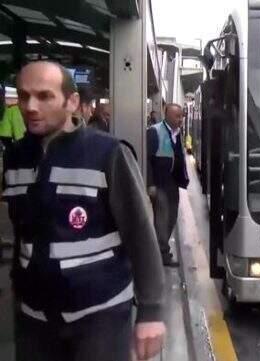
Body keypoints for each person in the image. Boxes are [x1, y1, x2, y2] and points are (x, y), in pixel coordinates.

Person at [2, 61, 166, 361]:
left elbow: (141, 234)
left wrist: (151, 311)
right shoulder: (16, 157)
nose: (30, 106)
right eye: (24, 96)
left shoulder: (109, 153)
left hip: (100, 316)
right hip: (34, 320)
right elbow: (22, 236)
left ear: (72, 101)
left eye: (44, 96)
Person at [147, 103, 189, 267]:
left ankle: (160, 250)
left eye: (181, 116)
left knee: (171, 218)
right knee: (162, 220)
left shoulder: (177, 133)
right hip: (160, 183)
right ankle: (162, 254)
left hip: (173, 184)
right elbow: (147, 158)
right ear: (168, 115)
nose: (180, 120)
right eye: (177, 116)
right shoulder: (154, 132)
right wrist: (150, 184)